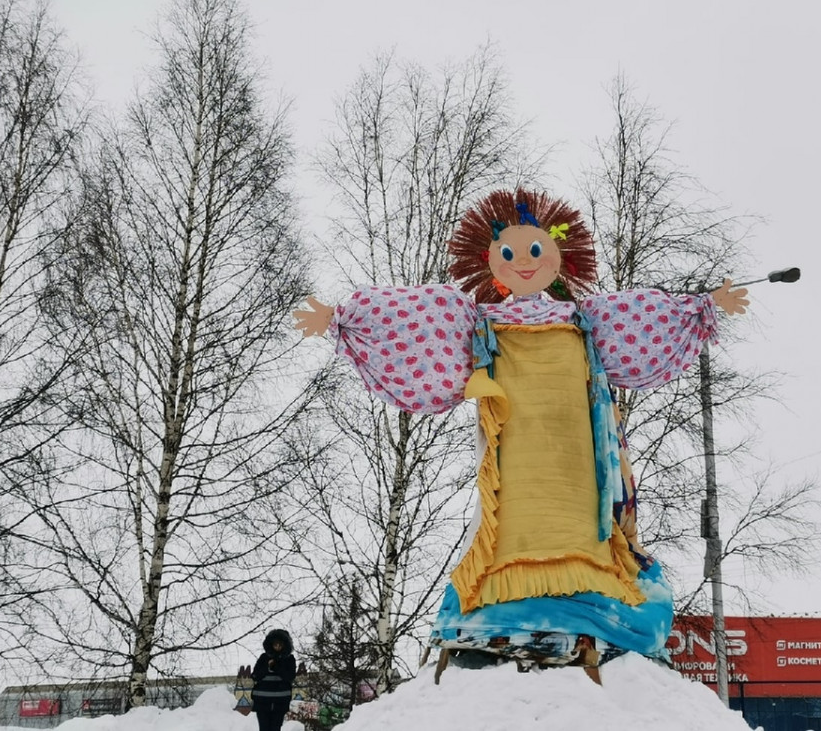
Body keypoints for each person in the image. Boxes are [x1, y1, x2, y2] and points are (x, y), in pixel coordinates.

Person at [293, 188, 748, 670]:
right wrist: (341, 318)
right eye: (508, 253)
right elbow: (414, 320)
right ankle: (507, 619)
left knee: (577, 525)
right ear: (490, 263)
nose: (524, 261)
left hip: (577, 452)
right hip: (511, 450)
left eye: (535, 250)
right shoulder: (475, 323)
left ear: (560, 257)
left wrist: (704, 306)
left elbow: (645, 317)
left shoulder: (587, 321)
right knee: (511, 524)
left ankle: (582, 618)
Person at [251, 629, 297, 731]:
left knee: (275, 729)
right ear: (271, 644)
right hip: (262, 702)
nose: (277, 647)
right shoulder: (264, 658)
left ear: (285, 645)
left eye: (280, 645)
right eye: (275, 644)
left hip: (280, 703)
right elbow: (255, 676)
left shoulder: (289, 659)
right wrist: (267, 667)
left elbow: (290, 676)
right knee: (263, 728)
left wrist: (276, 667)